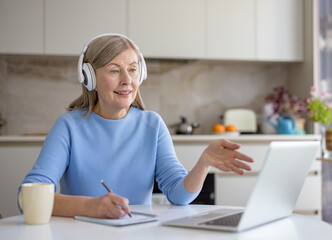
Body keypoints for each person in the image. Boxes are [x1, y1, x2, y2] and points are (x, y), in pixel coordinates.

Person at [19, 33, 253, 219]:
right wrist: (91, 207)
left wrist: (204, 163)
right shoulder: (68, 126)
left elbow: (179, 195)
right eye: (114, 70)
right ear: (89, 78)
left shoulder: (152, 124)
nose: (127, 80)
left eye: (132, 69)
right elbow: (27, 196)